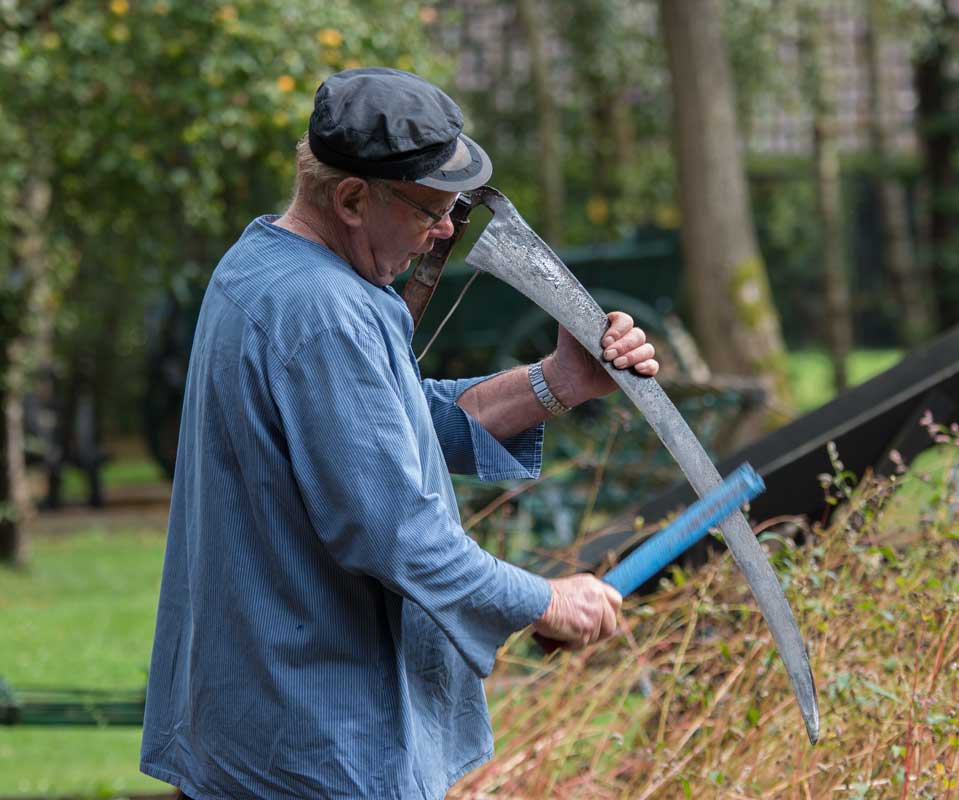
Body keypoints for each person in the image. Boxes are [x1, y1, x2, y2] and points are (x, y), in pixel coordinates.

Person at [139, 67, 660, 799]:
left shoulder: (267, 265)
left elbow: (392, 426)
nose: (446, 230)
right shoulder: (321, 312)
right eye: (430, 210)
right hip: (319, 745)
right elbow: (396, 534)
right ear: (351, 198)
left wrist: (559, 382)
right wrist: (545, 601)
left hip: (273, 731)